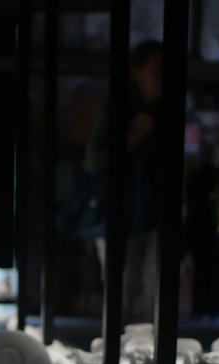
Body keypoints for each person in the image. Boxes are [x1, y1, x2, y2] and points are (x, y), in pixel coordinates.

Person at [85, 40, 163, 323]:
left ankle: (156, 343)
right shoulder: (118, 110)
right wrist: (135, 134)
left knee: (158, 280)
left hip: (156, 206)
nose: (160, 77)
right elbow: (94, 160)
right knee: (121, 282)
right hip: (120, 206)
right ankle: (116, 343)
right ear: (136, 72)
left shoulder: (166, 111)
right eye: (155, 69)